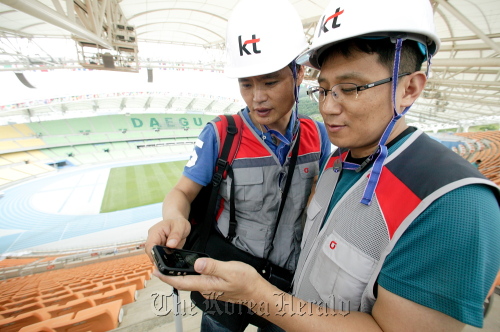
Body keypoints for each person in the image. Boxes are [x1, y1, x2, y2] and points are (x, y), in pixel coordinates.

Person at [154, 0, 500, 330]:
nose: (329, 107)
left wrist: (261, 295)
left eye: (349, 88)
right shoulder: (337, 163)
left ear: (409, 88)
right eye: (324, 90)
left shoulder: (456, 204)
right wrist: (174, 219)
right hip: (248, 289)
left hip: (274, 293)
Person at [145, 0, 331, 330]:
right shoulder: (220, 134)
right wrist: (174, 218)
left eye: (270, 82)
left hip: (286, 285)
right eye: (246, 83)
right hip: (225, 279)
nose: (257, 96)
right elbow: (182, 192)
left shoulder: (319, 136)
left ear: (299, 72)